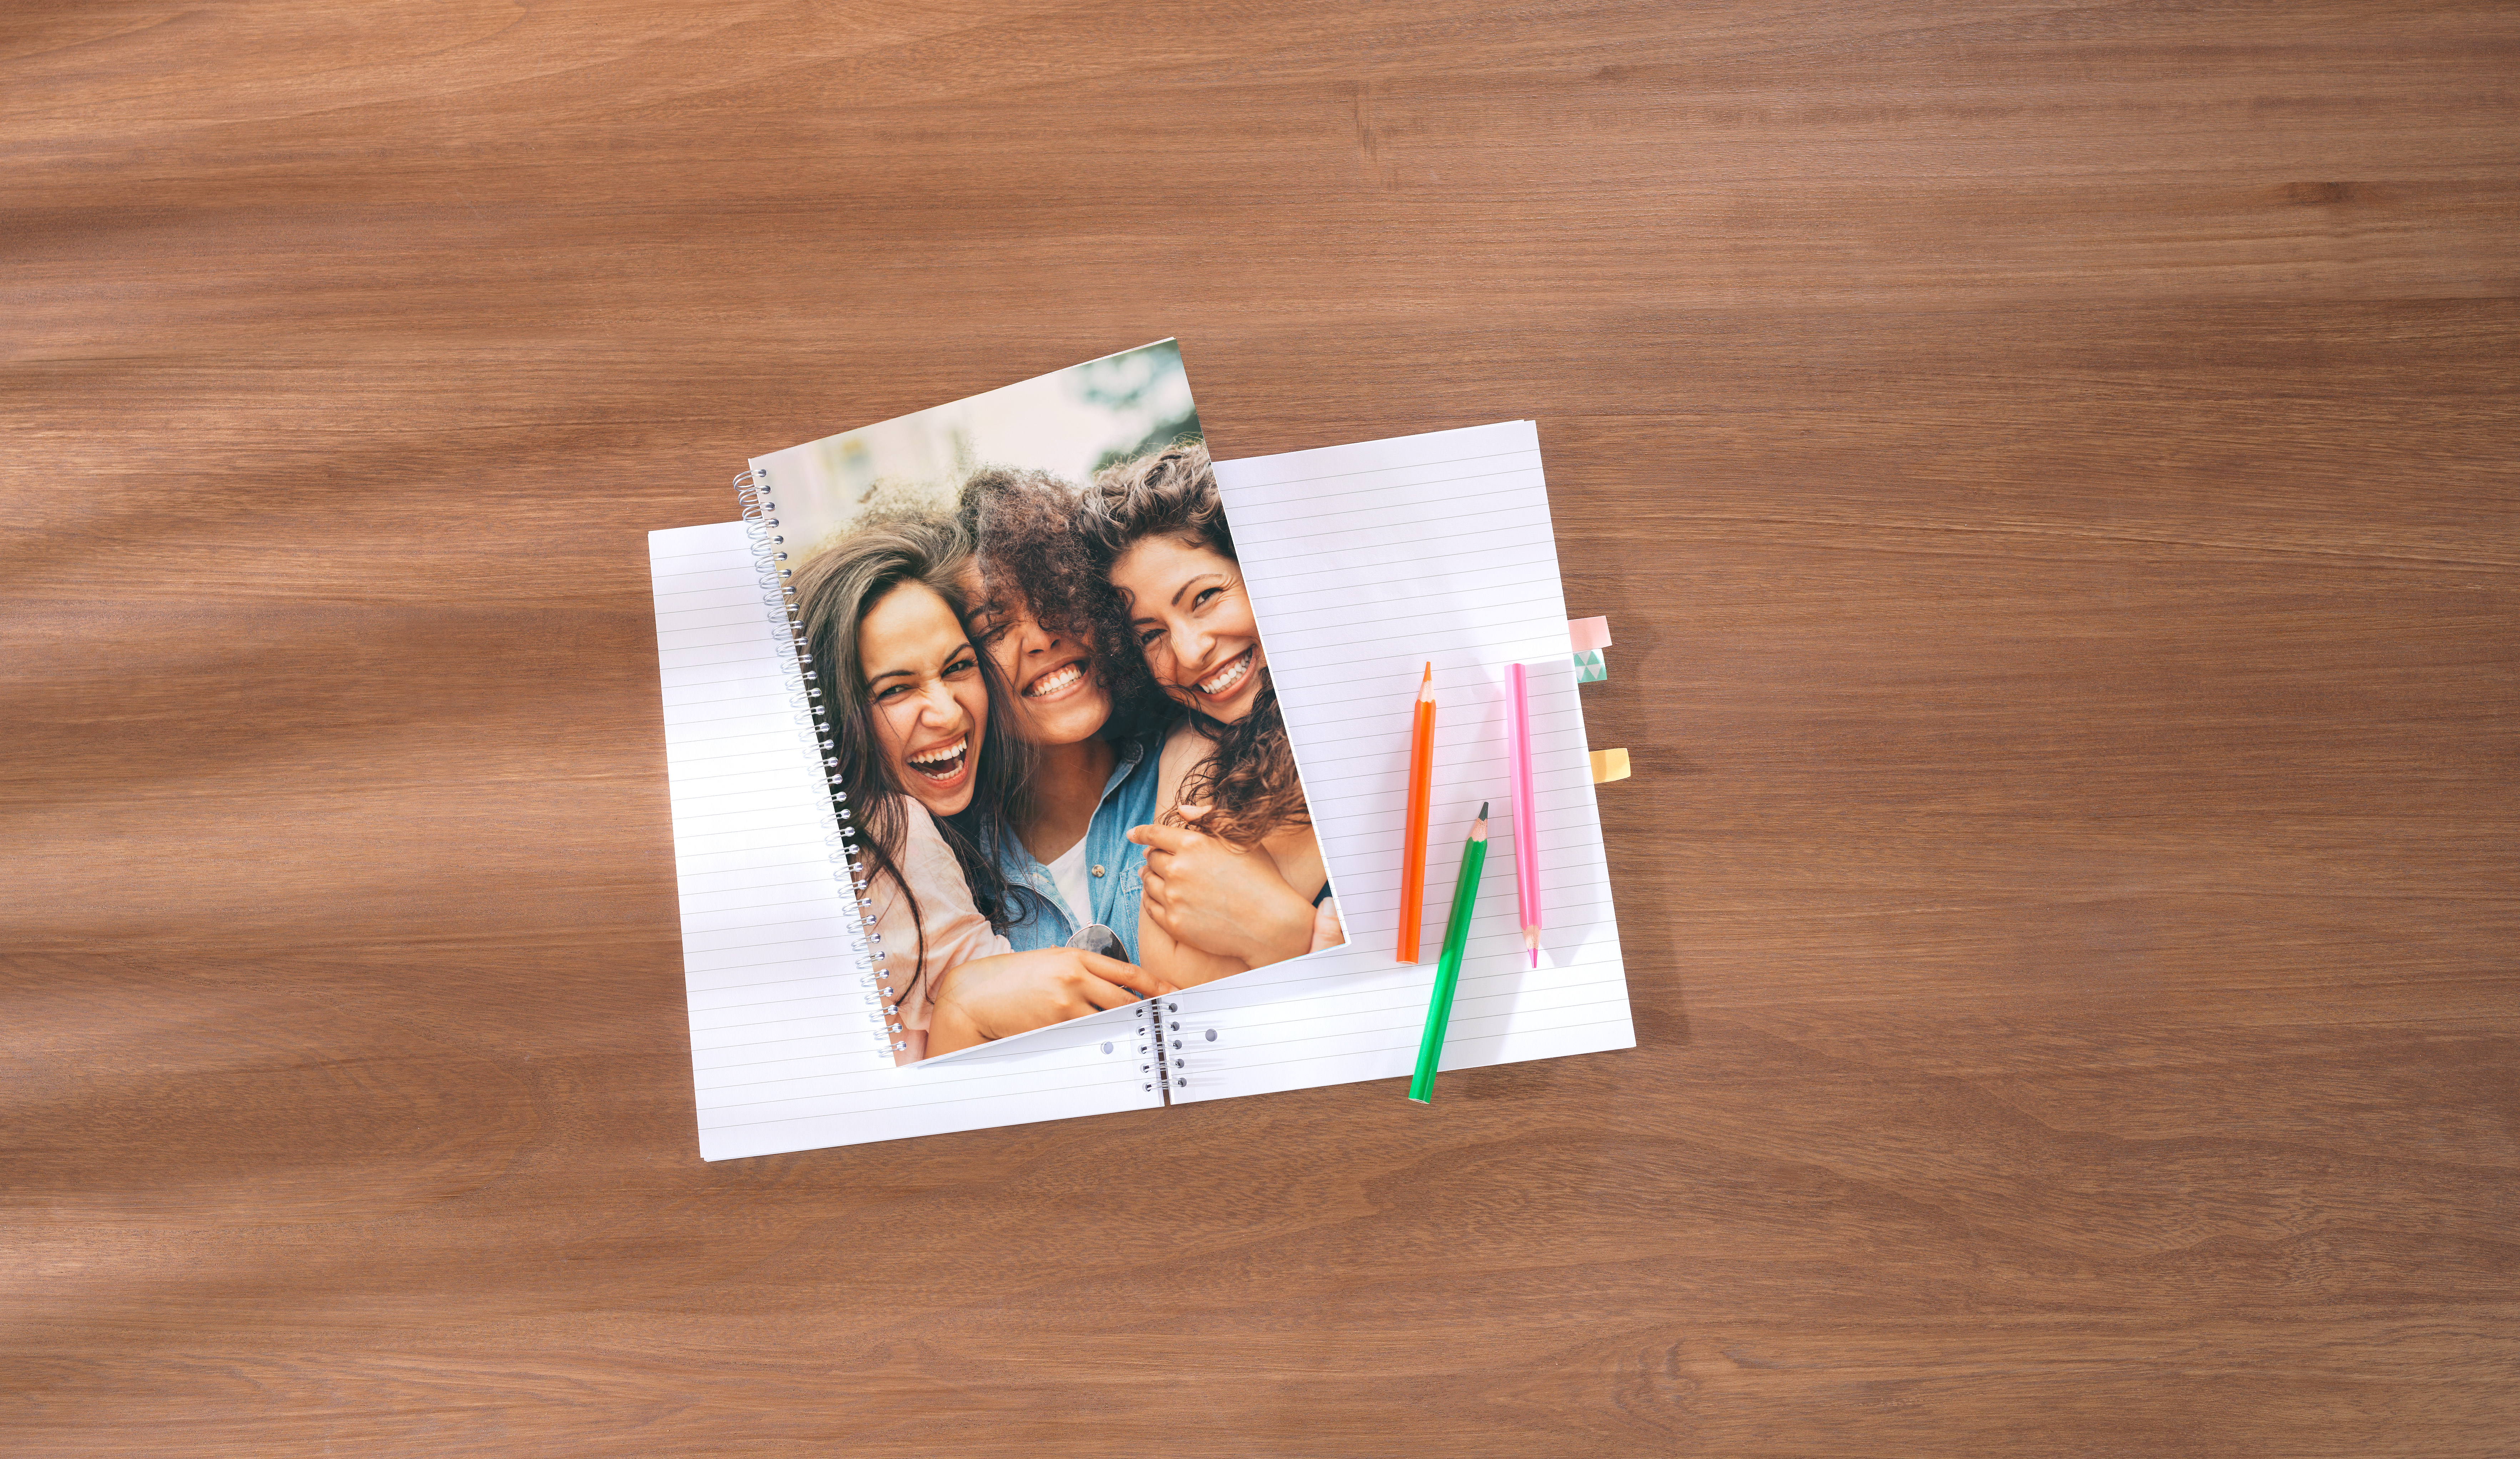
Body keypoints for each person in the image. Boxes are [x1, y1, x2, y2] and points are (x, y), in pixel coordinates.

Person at [787, 515, 1169, 1062]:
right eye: (895, 690)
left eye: (959, 666)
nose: (945, 714)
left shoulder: (1185, 764)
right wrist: (965, 1006)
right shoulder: (891, 843)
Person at [1079, 442, 1344, 988]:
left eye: (1203, 598)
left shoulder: (1344, 725)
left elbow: (1184, 972)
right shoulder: (1200, 737)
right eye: (1151, 635)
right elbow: (1174, 963)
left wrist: (1277, 930)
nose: (1189, 651)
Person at [956, 467, 1170, 961]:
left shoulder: (1199, 763)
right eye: (994, 628)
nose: (1041, 638)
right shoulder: (957, 870)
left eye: (1056, 597)